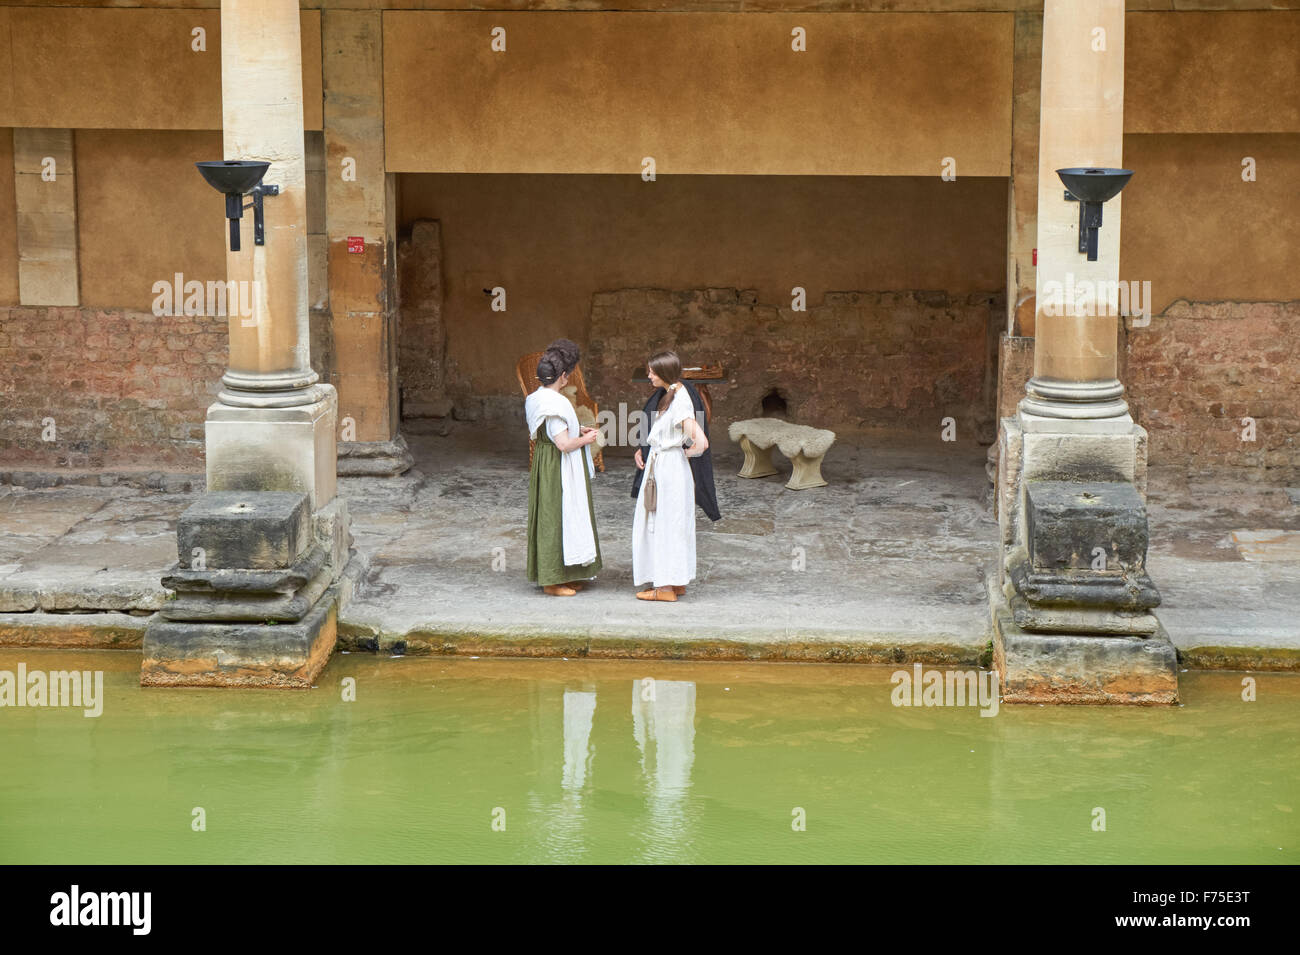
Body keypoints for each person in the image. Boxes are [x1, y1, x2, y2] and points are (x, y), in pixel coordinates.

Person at [632, 350, 709, 602]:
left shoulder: (680, 402)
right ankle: (675, 581)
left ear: (664, 373)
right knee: (672, 524)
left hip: (669, 471)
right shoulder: (671, 395)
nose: (649, 375)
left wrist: (678, 456)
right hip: (665, 464)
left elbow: (701, 443)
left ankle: (664, 589)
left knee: (665, 525)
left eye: (652, 371)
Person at [525, 347, 602, 596]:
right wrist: (587, 440)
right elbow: (564, 444)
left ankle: (567, 574)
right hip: (556, 465)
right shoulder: (553, 403)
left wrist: (578, 429)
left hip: (548, 460)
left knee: (563, 516)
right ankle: (551, 580)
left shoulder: (538, 397)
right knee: (556, 517)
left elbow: (557, 431)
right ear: (563, 377)